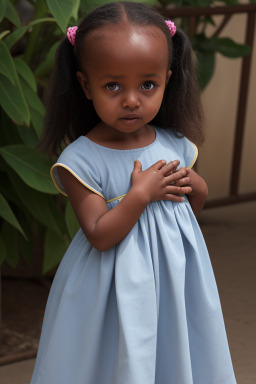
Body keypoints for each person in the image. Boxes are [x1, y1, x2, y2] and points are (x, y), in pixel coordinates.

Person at [30, 2, 237, 383]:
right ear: (84, 84)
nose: (131, 99)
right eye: (113, 85)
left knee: (171, 346)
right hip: (108, 286)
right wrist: (139, 195)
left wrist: (198, 187)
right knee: (117, 354)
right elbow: (100, 235)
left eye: (147, 84)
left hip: (174, 277)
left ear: (167, 79)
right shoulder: (82, 159)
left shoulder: (175, 143)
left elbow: (189, 214)